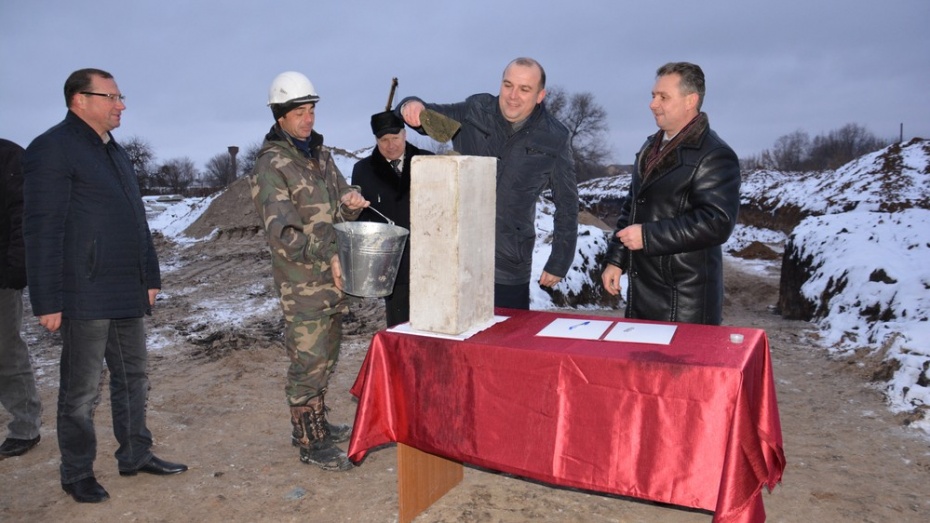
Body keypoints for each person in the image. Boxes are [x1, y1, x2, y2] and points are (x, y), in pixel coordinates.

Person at [22, 68, 187, 503]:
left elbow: (137, 218)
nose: (121, 104)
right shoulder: (51, 149)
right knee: (80, 390)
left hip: (126, 288)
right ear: (80, 100)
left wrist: (149, 275)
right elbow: (42, 229)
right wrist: (47, 299)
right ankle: (76, 471)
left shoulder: (114, 151)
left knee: (134, 377)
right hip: (84, 292)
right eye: (111, 96)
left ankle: (135, 453)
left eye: (120, 96)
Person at [250, 71, 369, 471]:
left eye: (311, 110)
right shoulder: (272, 165)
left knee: (327, 353)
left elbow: (336, 206)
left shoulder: (319, 155)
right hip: (302, 283)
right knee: (308, 360)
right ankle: (308, 439)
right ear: (280, 116)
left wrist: (350, 203)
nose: (308, 119)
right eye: (299, 112)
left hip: (331, 278)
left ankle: (316, 419)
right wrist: (331, 253)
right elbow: (284, 233)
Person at [398, 57, 578, 310]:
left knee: (504, 344)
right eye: (508, 85)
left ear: (540, 95)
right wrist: (411, 106)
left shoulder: (554, 137)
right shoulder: (476, 110)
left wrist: (560, 259)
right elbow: (428, 114)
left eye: (524, 89)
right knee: (453, 342)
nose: (513, 96)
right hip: (457, 256)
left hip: (509, 264)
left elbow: (567, 204)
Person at [601, 62, 741, 325]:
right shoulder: (650, 147)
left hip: (685, 299)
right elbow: (633, 206)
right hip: (644, 290)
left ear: (691, 100)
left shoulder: (715, 155)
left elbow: (717, 222)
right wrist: (616, 260)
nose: (653, 104)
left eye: (663, 97)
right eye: (653, 95)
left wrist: (648, 235)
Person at [351, 111, 433, 327]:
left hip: (430, 262)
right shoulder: (363, 170)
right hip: (392, 267)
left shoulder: (429, 161)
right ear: (376, 140)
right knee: (400, 330)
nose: (390, 145)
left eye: (395, 138)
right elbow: (362, 219)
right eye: (383, 140)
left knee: (434, 328)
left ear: (405, 135)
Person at [0, 138, 42, 460]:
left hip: (1, 277)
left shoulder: (9, 157)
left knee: (5, 350)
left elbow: (25, 215)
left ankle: (26, 426)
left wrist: (16, 270)